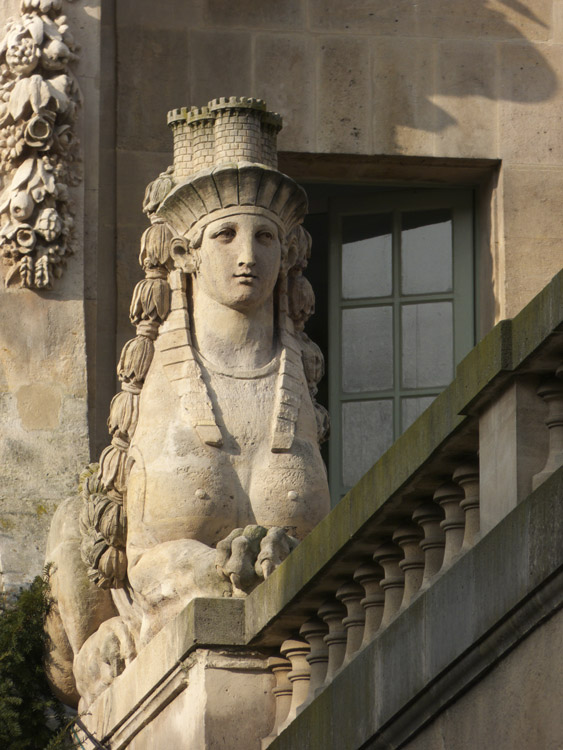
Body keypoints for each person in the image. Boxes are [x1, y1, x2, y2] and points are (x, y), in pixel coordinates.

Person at [45, 101, 331, 708]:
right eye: (225, 235)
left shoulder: (296, 391)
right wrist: (214, 575)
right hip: (164, 620)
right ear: (186, 254)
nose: (247, 256)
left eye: (265, 237)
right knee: (72, 520)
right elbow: (145, 560)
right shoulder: (164, 384)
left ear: (287, 253)